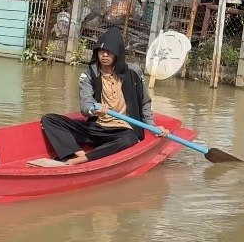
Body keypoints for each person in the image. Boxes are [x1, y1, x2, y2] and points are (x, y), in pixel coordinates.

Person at [34, 26, 168, 167]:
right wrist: (94, 110)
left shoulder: (134, 72)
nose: (105, 55)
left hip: (123, 130)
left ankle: (80, 159)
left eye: (110, 52)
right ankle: (79, 154)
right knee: (49, 119)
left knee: (129, 139)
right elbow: (86, 104)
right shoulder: (89, 75)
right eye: (101, 51)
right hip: (96, 127)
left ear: (118, 53)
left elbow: (144, 102)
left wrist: (152, 127)